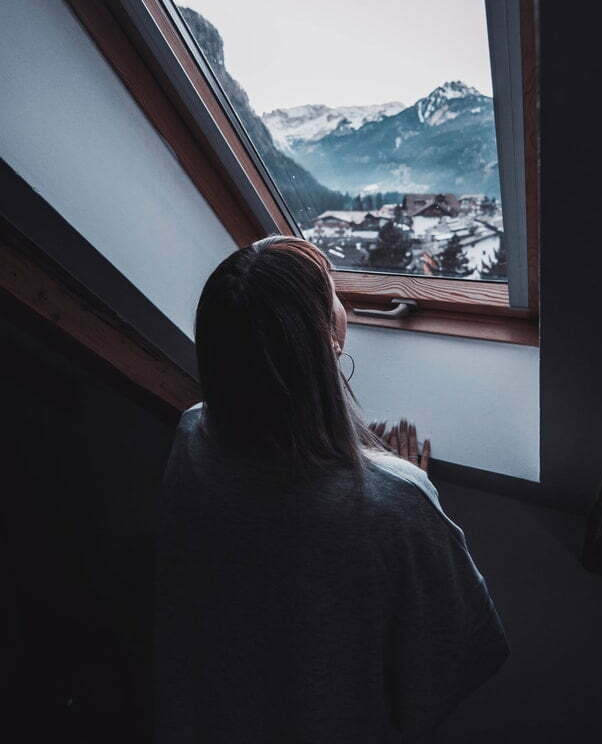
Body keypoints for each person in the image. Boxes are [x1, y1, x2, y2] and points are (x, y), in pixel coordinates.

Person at [154, 235, 510, 743]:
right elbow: (459, 659)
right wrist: (401, 482)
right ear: (329, 338)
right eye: (335, 296)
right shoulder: (393, 502)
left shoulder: (192, 432)